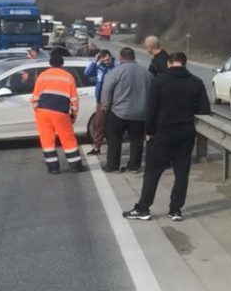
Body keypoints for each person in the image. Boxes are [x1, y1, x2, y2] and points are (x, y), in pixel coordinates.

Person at [123, 52, 210, 221]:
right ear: (185, 63)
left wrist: (148, 132)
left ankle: (143, 208)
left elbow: (151, 109)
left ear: (169, 63)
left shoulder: (159, 81)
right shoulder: (196, 82)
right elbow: (204, 109)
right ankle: (175, 210)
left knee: (153, 172)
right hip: (185, 133)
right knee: (182, 172)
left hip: (161, 132)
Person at [31, 54, 85, 174]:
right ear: (62, 64)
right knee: (68, 139)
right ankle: (76, 166)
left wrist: (37, 110)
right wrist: (74, 114)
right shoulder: (68, 77)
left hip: (42, 112)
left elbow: (35, 97)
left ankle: (53, 168)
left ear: (50, 64)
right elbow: (74, 99)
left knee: (47, 140)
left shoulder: (42, 76)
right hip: (61, 112)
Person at [100, 47, 151, 173]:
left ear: (121, 57)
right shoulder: (146, 73)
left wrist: (105, 107)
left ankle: (112, 165)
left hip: (119, 112)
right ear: (133, 57)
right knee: (137, 140)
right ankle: (134, 165)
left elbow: (106, 90)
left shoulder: (115, 72)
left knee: (114, 139)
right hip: (140, 113)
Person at [83, 50, 116, 155]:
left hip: (114, 100)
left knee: (113, 125)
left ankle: (113, 147)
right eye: (104, 59)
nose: (106, 61)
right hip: (101, 100)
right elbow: (87, 73)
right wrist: (95, 61)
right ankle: (97, 147)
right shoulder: (99, 67)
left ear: (111, 57)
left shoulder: (116, 66)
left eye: (108, 59)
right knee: (98, 124)